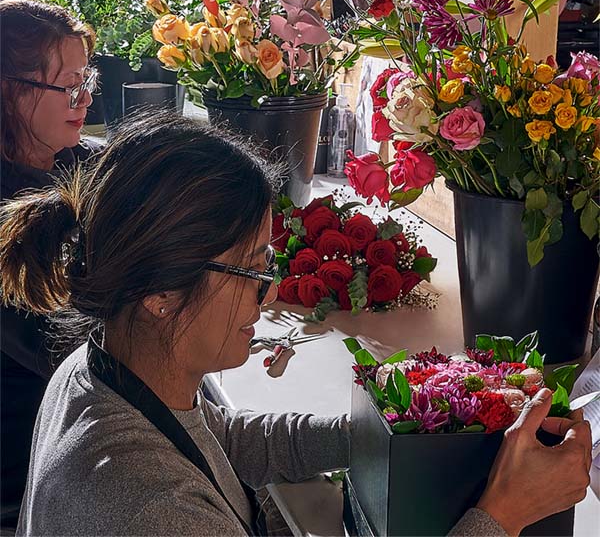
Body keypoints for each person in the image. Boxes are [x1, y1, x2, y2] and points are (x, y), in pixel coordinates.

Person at [0, 113, 591, 536]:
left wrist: (402, 425)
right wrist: (503, 515)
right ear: (161, 291)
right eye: (251, 267)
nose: (270, 289)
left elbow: (226, 444)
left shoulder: (108, 362)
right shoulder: (150, 509)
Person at [0, 0, 100, 531]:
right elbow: (60, 349)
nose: (83, 99)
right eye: (68, 85)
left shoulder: (77, 161)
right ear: (12, 93)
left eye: (87, 81)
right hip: (26, 470)